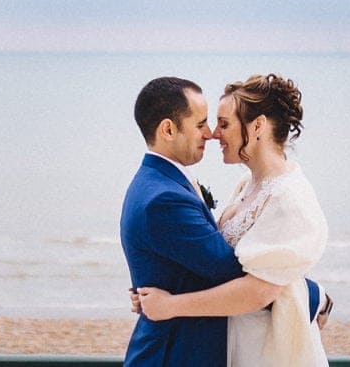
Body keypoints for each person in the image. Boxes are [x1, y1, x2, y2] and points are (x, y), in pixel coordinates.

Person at [121, 77, 327, 367]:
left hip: (259, 349)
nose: (213, 134)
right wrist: (316, 296)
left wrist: (167, 301)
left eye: (223, 124)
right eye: (203, 123)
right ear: (168, 129)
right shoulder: (237, 187)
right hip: (186, 351)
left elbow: (256, 284)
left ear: (257, 127)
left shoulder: (285, 194)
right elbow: (234, 272)